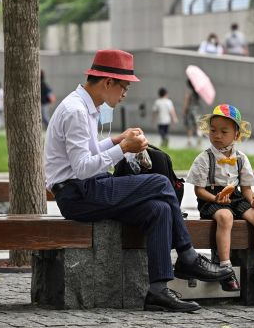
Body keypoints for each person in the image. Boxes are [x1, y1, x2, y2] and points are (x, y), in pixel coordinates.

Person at [44, 49, 233, 313]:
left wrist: (117, 140)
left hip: (85, 189)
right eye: (124, 87)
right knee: (159, 183)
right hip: (78, 193)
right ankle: (187, 254)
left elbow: (87, 153)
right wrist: (124, 149)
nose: (124, 94)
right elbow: (83, 168)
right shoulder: (76, 110)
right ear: (108, 82)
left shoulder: (85, 107)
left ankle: (157, 290)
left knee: (160, 209)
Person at [186, 104, 254, 292]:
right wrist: (215, 198)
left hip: (236, 197)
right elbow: (199, 191)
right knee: (225, 217)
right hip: (211, 198)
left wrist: (253, 201)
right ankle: (226, 270)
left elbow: (247, 189)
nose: (217, 135)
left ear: (236, 135)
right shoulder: (204, 158)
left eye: (224, 131)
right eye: (213, 130)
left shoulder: (241, 158)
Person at [183, 80, 202, 147]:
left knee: (190, 126)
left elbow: (186, 103)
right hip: (197, 111)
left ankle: (189, 141)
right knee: (197, 126)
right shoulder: (198, 94)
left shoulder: (189, 94)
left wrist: (184, 111)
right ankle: (199, 139)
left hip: (190, 111)